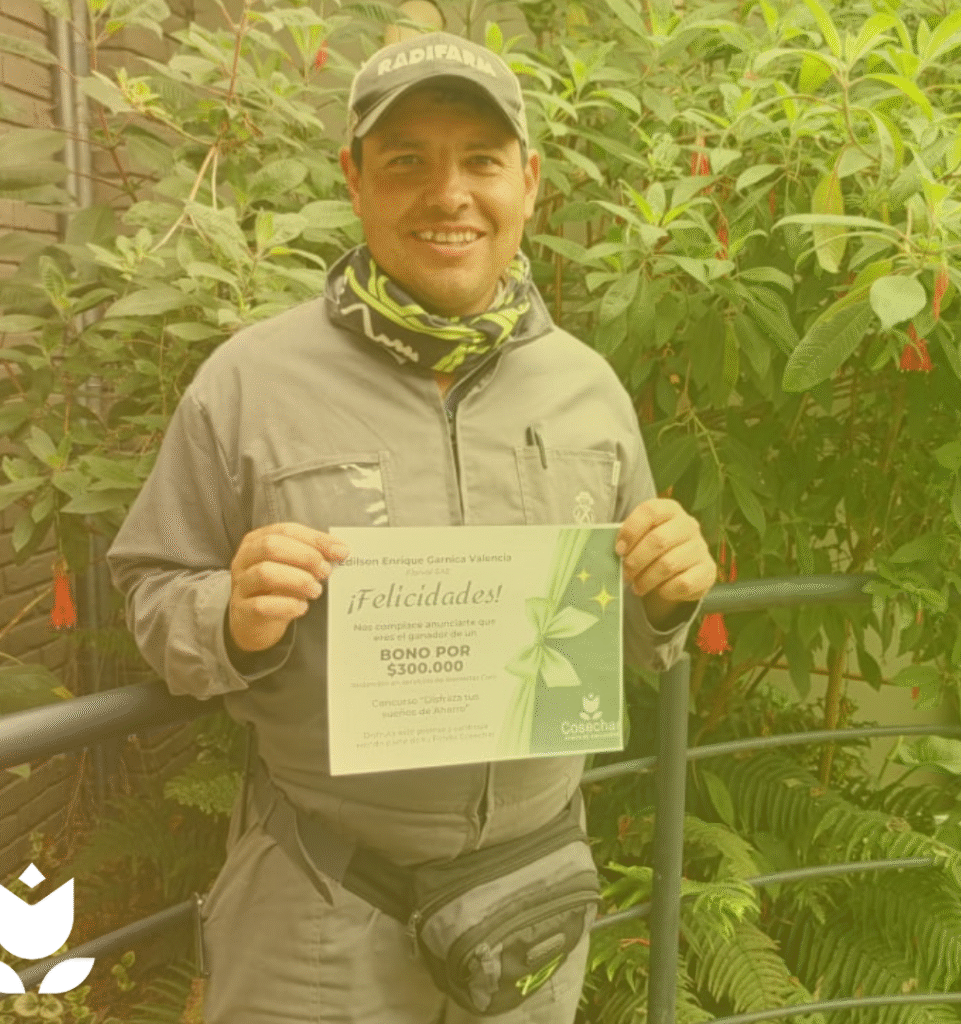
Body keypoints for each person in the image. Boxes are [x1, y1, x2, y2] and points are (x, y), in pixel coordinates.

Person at [106, 30, 717, 1024]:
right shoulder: (248, 384)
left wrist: (665, 596)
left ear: (528, 183)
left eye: (480, 161)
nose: (449, 194)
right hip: (318, 903)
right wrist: (229, 617)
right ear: (355, 180)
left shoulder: (589, 390)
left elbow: (639, 636)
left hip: (532, 900)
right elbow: (149, 587)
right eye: (406, 162)